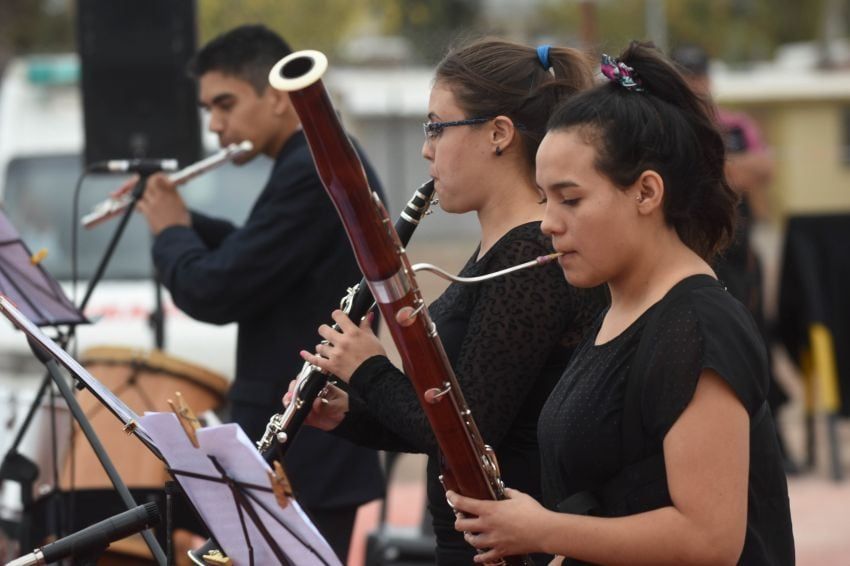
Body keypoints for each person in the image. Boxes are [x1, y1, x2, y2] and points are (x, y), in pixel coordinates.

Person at [446, 42, 794, 565]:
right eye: (545, 198)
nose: (548, 222)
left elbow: (710, 539)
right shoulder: (617, 310)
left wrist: (544, 531)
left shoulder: (696, 325)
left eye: (571, 198)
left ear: (647, 193)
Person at [294, 38, 605, 564]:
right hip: (471, 540)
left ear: (498, 134)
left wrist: (368, 368)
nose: (426, 148)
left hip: (509, 547)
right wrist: (351, 413)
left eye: (437, 126)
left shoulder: (532, 255)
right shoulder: (496, 251)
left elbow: (468, 427)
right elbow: (449, 431)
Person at [133, 24, 384, 561]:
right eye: (208, 110)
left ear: (276, 96)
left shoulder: (314, 169)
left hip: (308, 445)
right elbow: (261, 257)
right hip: (305, 443)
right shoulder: (310, 161)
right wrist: (184, 220)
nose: (216, 126)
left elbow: (216, 288)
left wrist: (170, 231)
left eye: (224, 104)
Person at [672, 43, 794, 471]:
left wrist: (721, 170)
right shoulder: (672, 127)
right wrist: (732, 171)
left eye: (699, 75)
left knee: (755, 336)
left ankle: (772, 439)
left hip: (739, 252)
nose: (696, 84)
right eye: (687, 76)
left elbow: (764, 168)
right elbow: (738, 174)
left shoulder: (735, 125)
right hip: (694, 251)